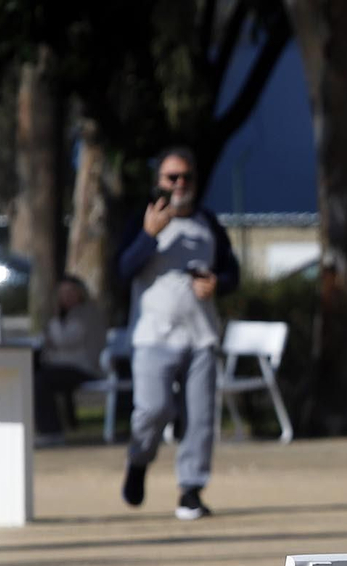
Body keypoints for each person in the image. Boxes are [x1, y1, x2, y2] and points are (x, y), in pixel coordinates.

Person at [116, 146, 239, 519]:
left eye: (186, 177)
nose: (179, 184)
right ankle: (138, 461)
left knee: (200, 419)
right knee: (152, 410)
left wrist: (217, 283)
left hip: (200, 336)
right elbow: (121, 270)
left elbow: (233, 273)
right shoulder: (143, 220)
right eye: (172, 178)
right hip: (153, 336)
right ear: (159, 181)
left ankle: (191, 490)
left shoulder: (208, 224)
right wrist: (149, 236)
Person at [34, 275, 105, 444]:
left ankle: (52, 431)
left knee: (42, 379)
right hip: (64, 367)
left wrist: (53, 328)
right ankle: (41, 426)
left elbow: (65, 339)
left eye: (71, 292)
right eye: (63, 292)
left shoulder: (88, 313)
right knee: (33, 371)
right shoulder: (62, 316)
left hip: (85, 367)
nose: (66, 296)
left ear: (80, 293)